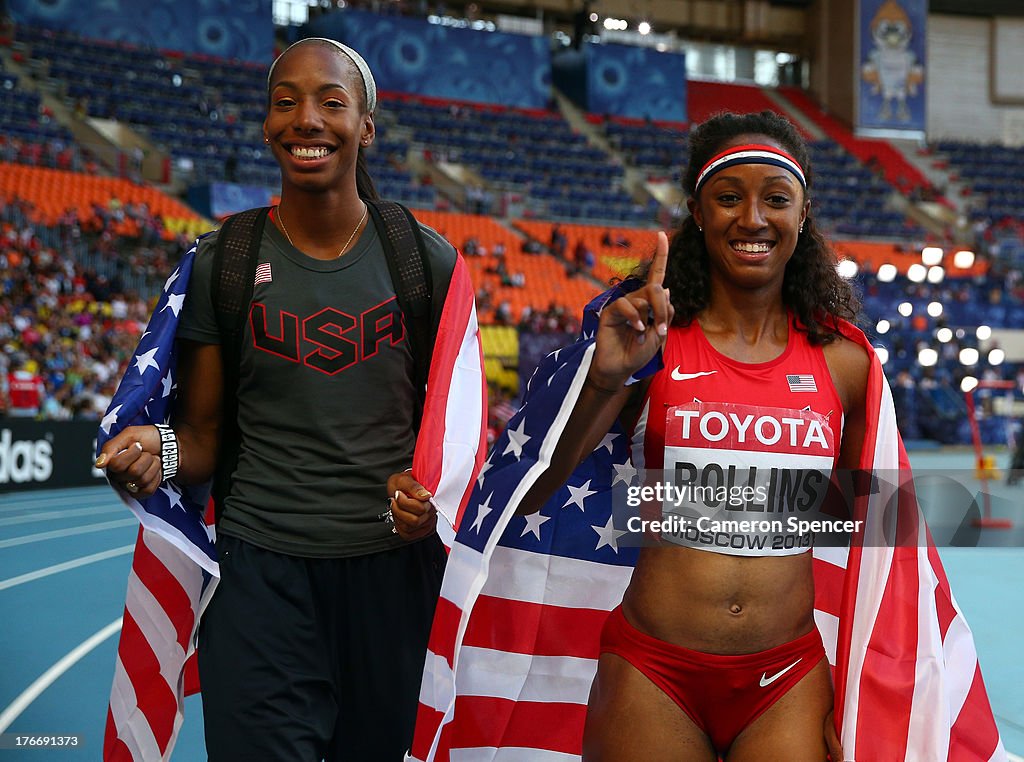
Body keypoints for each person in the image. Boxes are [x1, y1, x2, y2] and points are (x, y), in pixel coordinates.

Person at [95, 38, 484, 760]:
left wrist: (429, 498)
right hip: (258, 583)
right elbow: (203, 435)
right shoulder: (226, 261)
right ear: (267, 123)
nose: (306, 119)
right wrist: (162, 449)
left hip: (392, 587)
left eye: (331, 102)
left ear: (366, 125)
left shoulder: (421, 258)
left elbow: (453, 439)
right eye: (286, 102)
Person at [512, 110, 858, 760]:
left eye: (775, 199)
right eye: (729, 198)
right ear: (698, 212)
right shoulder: (648, 340)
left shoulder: (845, 364)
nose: (752, 218)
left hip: (786, 677)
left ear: (803, 212)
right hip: (655, 671)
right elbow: (535, 491)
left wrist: (856, 680)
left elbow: (865, 525)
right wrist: (607, 379)